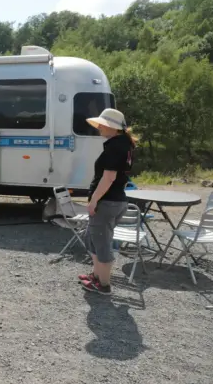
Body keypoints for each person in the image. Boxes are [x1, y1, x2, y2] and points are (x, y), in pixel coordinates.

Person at [79, 108, 136, 295]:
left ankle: (104, 285)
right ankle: (96, 276)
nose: (99, 127)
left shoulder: (115, 147)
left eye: (103, 124)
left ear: (112, 127)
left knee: (102, 244)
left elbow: (109, 177)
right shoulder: (124, 145)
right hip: (116, 201)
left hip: (107, 202)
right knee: (93, 239)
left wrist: (94, 200)